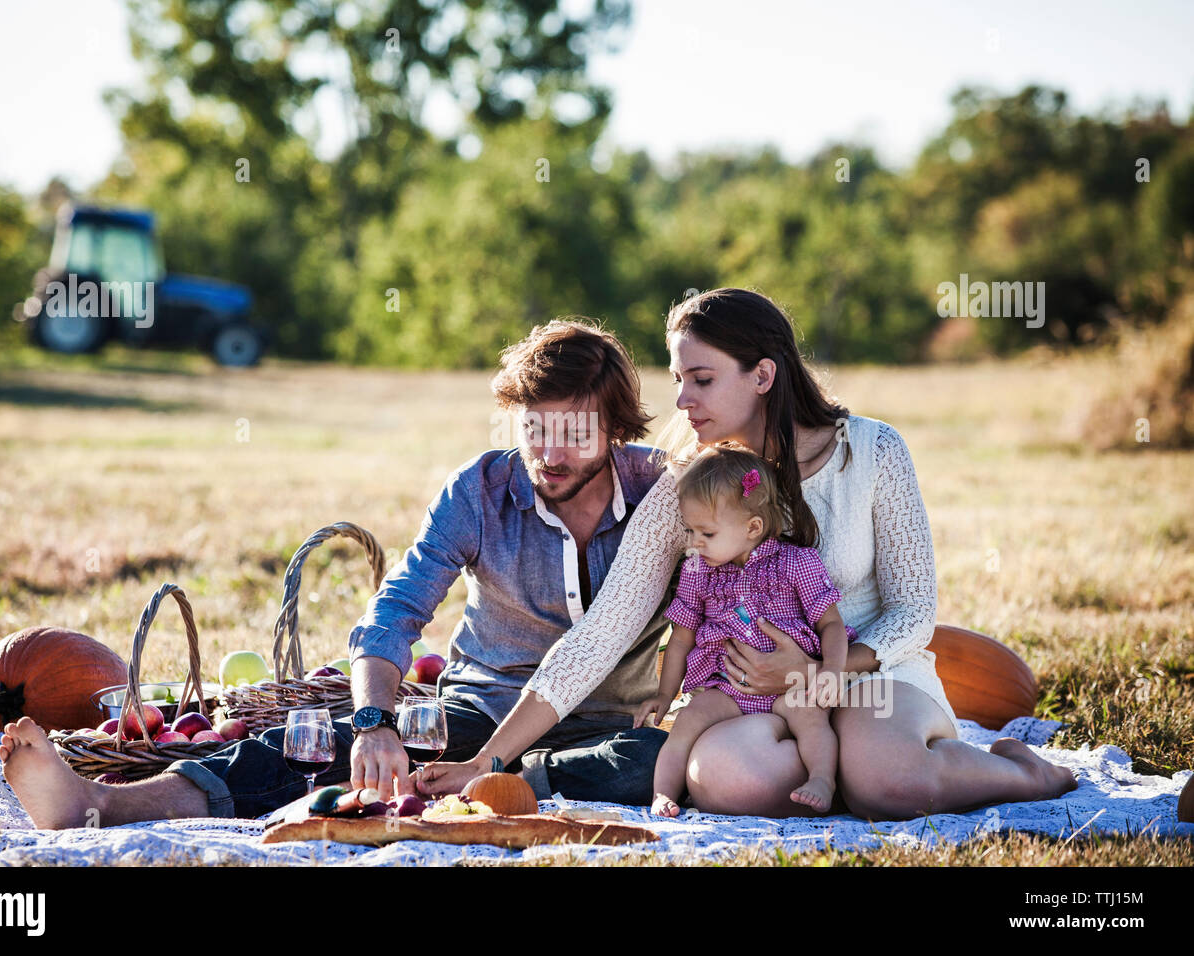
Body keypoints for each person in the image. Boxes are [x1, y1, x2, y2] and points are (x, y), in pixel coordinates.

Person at [421, 288, 1077, 820]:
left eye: (700, 379)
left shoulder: (874, 452)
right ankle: (832, 771)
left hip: (873, 678)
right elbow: (601, 633)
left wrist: (820, 668)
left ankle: (1021, 771)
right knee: (726, 781)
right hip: (749, 696)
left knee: (890, 783)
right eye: (679, 378)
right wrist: (491, 761)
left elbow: (914, 611)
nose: (680, 400)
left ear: (763, 374)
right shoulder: (691, 481)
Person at [0, 318, 676, 828]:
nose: (550, 454)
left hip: (606, 726)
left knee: (659, 762)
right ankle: (101, 804)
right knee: (321, 745)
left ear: (617, 429)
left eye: (575, 434)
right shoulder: (478, 490)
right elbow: (393, 614)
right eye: (535, 430)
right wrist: (377, 717)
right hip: (480, 708)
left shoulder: (664, 494)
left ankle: (509, 781)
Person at [636, 443, 854, 816]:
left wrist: (832, 669)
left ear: (752, 527)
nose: (694, 543)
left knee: (811, 718)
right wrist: (665, 693)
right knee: (688, 720)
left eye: (706, 533)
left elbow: (830, 621)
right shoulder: (697, 571)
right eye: (690, 531)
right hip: (729, 686)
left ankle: (822, 779)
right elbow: (681, 639)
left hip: (790, 684)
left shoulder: (795, 562)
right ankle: (663, 793)